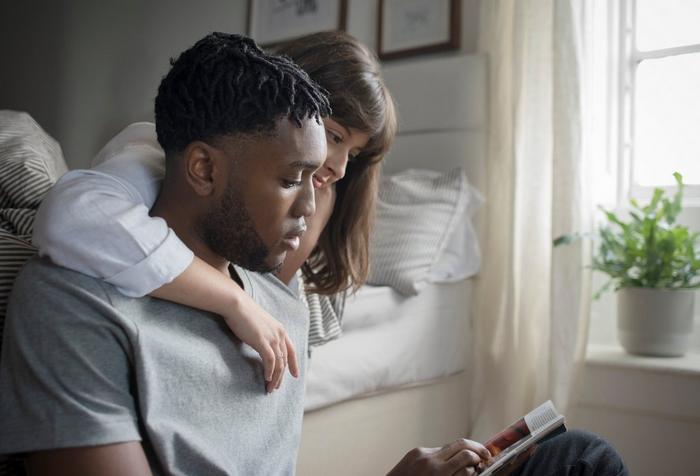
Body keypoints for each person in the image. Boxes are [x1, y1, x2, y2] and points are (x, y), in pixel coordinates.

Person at [32, 31, 396, 394]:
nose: (340, 168)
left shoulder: (322, 200)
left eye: (355, 153)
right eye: (335, 136)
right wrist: (232, 300)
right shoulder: (153, 156)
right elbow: (73, 217)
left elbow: (264, 283)